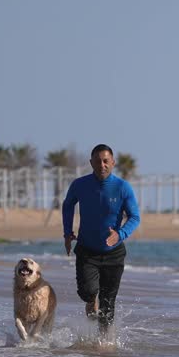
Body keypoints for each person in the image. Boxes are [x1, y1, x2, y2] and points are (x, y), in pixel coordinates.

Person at [62, 144, 141, 341]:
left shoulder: (123, 187)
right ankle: (90, 300)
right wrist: (67, 233)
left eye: (106, 161)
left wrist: (120, 234)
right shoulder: (80, 185)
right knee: (87, 292)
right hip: (87, 251)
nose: (102, 165)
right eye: (98, 161)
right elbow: (67, 205)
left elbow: (135, 217)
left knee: (108, 304)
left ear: (113, 163)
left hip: (114, 253)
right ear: (91, 163)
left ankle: (104, 344)